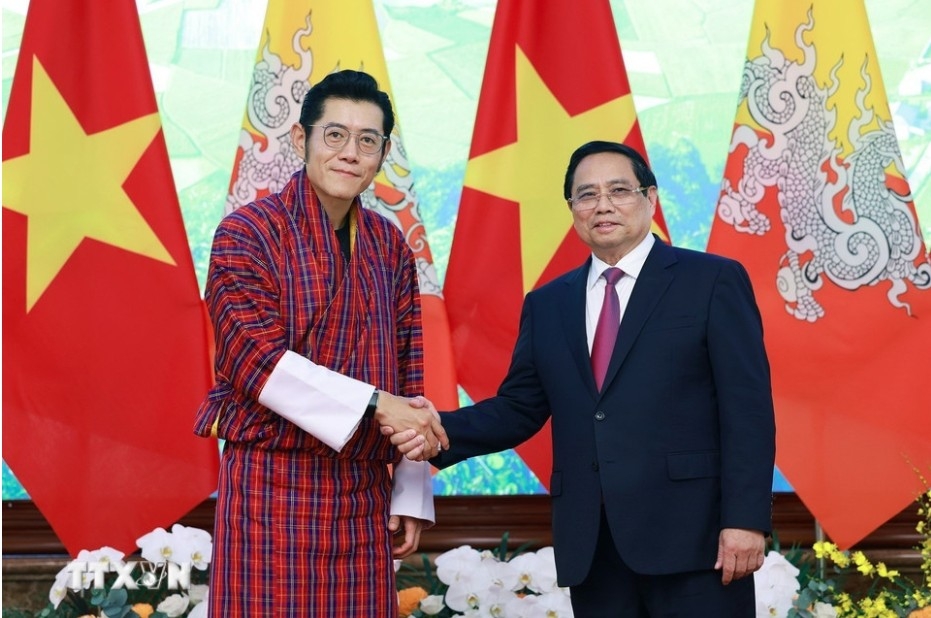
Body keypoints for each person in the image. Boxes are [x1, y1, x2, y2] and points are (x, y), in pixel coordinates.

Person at [392, 141, 776, 616]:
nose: (604, 205)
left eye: (620, 190)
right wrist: (431, 430)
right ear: (572, 209)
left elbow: (748, 410)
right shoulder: (549, 303)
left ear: (650, 198)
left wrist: (745, 520)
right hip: (594, 548)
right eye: (587, 195)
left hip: (697, 543)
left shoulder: (712, 281)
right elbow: (519, 407)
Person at [193, 69, 448, 617]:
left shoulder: (389, 244)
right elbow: (253, 362)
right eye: (335, 135)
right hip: (271, 486)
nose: (350, 152)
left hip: (362, 494)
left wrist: (409, 488)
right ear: (300, 140)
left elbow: (409, 375)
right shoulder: (247, 233)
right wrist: (379, 404)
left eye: (367, 140)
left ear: (381, 155)